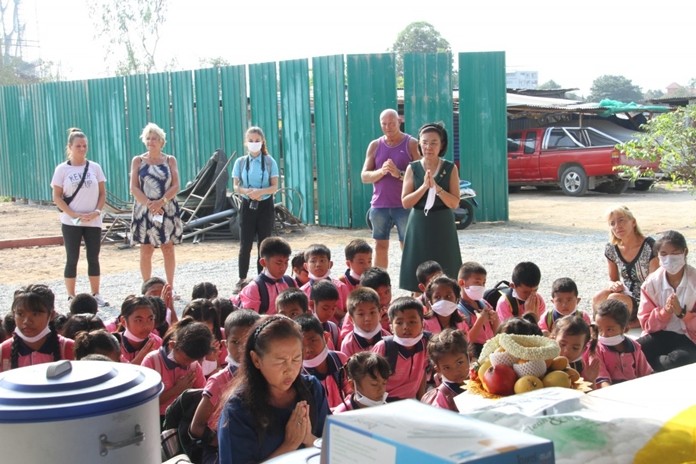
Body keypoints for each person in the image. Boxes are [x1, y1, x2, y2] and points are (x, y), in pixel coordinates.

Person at [217, 315, 329, 464]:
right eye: (280, 361)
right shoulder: (238, 409)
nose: (290, 369)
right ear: (256, 360)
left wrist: (309, 439)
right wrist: (289, 445)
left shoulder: (312, 389)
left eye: (296, 359)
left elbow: (333, 447)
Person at [190, 310, 260, 464]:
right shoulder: (219, 381)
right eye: (235, 342)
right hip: (220, 451)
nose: (242, 348)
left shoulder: (265, 376)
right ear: (224, 344)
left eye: (247, 341)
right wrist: (225, 441)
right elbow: (197, 426)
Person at [400, 123, 462, 292]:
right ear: (419, 143)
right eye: (425, 142)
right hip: (419, 221)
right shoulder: (412, 168)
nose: (429, 147)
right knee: (418, 264)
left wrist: (437, 188)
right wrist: (424, 187)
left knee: (446, 265)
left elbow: (454, 202)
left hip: (443, 221)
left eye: (434, 142)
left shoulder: (450, 168)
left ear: (442, 145)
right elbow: (406, 202)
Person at [51, 128, 107, 306]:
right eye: (78, 146)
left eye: (85, 146)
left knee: (93, 257)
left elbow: (102, 193)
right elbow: (57, 197)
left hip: (93, 220)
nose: (82, 149)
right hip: (71, 221)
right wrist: (73, 214)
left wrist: (97, 211)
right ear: (70, 147)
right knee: (72, 257)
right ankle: (71, 295)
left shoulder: (95, 167)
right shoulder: (62, 169)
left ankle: (96, 293)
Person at [361, 109, 420, 269]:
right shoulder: (375, 145)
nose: (388, 127)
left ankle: (413, 286)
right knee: (379, 246)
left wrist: (399, 174)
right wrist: (381, 171)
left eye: (391, 123)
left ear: (399, 121)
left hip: (404, 205)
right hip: (379, 205)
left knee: (408, 246)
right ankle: (379, 284)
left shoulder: (412, 143)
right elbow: (364, 176)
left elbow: (421, 176)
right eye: (384, 124)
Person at [130, 122, 183, 291]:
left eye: (154, 138)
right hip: (145, 210)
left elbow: (176, 185)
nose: (151, 141)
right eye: (148, 138)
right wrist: (150, 204)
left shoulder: (170, 160)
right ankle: (148, 288)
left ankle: (170, 287)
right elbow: (134, 187)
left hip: (166, 208)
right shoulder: (138, 161)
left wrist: (162, 202)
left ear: (161, 141)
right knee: (146, 249)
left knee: (167, 248)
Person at [637, 230, 696, 371]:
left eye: (675, 253)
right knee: (634, 351)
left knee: (680, 360)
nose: (669, 259)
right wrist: (664, 312)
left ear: (685, 252)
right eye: (663, 254)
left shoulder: (694, 281)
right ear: (658, 256)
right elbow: (646, 324)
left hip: (687, 338)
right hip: (658, 335)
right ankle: (651, 365)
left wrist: (683, 314)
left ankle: (648, 366)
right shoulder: (651, 283)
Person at [592, 205, 658, 323]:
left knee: (614, 300)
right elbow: (612, 279)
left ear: (633, 222)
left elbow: (655, 283)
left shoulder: (650, 246)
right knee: (599, 297)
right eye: (612, 223)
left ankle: (638, 322)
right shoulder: (611, 248)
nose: (617, 226)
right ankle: (600, 329)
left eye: (621, 220)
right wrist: (614, 285)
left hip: (647, 298)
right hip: (626, 293)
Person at [232, 126, 280, 286]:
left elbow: (274, 186)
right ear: (246, 143)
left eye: (257, 141)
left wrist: (260, 192)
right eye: (251, 141)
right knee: (245, 243)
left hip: (265, 205)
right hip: (247, 204)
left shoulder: (269, 161)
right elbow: (235, 185)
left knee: (264, 243)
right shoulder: (240, 162)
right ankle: (241, 278)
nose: (254, 143)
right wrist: (246, 191)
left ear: (262, 142)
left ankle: (262, 277)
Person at [142, 317, 211, 418]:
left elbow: (202, 394)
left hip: (183, 418)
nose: (188, 364)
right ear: (172, 345)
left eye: (193, 360)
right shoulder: (152, 361)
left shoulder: (193, 365)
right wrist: (176, 390)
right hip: (157, 418)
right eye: (186, 359)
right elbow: (145, 402)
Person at [1, 284, 74, 371]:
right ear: (13, 314)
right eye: (20, 314)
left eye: (35, 314)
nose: (26, 321)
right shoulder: (2, 352)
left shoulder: (70, 348)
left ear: (51, 315)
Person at [372, 296, 429, 400]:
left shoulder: (425, 344)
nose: (406, 327)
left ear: (422, 324)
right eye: (399, 323)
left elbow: (422, 372)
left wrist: (422, 400)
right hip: (385, 402)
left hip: (412, 401)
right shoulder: (383, 347)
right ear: (391, 327)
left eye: (412, 322)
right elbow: (370, 380)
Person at [594, 299, 652, 388]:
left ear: (625, 329)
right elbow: (601, 378)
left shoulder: (635, 347)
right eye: (599, 329)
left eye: (609, 329)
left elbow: (645, 373)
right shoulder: (595, 349)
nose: (603, 334)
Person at [296, 314, 348, 410]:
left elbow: (351, 391)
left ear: (326, 336)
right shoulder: (296, 372)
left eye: (313, 341)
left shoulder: (340, 359)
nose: (308, 349)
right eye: (301, 345)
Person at [239, 237, 295, 314]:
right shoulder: (254, 288)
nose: (283, 267)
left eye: (286, 262)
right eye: (279, 263)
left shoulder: (291, 282)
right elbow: (251, 321)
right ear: (263, 262)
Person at [456, 262, 499, 360]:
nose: (482, 286)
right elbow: (467, 340)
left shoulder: (484, 304)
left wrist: (495, 318)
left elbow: (496, 331)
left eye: (483, 283)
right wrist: (480, 321)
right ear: (462, 283)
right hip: (475, 353)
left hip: (490, 347)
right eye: (477, 283)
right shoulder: (459, 312)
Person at [421, 329, 469, 411]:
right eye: (447, 368)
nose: (456, 371)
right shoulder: (441, 398)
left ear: (468, 358)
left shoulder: (480, 381)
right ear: (438, 369)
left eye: (459, 363)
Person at [300, 244, 350, 319]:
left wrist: (335, 311)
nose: (318, 264)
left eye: (322, 260)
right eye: (313, 261)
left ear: (330, 264)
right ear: (306, 266)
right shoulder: (302, 292)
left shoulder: (341, 287)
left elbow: (352, 315)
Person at [341, 287, 391, 358]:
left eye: (372, 312)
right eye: (361, 314)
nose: (368, 318)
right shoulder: (348, 344)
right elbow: (346, 368)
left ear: (380, 314)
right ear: (351, 318)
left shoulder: (387, 338)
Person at [183, 298, 226, 376]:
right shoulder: (180, 343)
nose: (203, 337)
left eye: (207, 332)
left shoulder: (224, 337)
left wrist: (215, 360)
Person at [551, 315, 600, 385]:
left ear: (583, 349)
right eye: (562, 344)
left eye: (575, 348)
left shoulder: (580, 366)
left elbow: (589, 393)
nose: (567, 351)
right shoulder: (545, 362)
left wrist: (589, 380)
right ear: (553, 339)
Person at [114, 295, 162, 365]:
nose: (146, 325)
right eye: (139, 320)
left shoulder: (158, 342)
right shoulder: (113, 345)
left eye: (150, 319)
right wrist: (140, 359)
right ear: (123, 321)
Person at [310, 280, 340, 349]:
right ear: (312, 305)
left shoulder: (334, 329)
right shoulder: (303, 329)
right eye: (325, 308)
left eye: (333, 308)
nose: (330, 312)